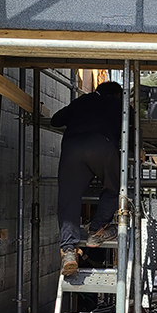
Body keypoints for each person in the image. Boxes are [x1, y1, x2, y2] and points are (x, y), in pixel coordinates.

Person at [52, 81, 123, 276]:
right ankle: (97, 229)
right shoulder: (119, 104)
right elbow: (134, 126)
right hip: (102, 146)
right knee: (114, 187)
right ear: (118, 94)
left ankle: (68, 250)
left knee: (69, 198)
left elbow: (56, 120)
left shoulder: (83, 100)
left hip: (72, 147)